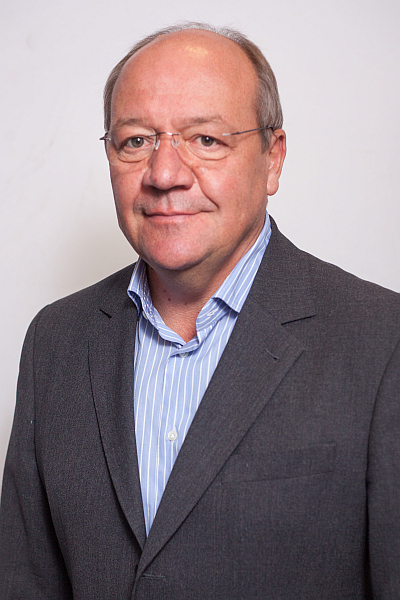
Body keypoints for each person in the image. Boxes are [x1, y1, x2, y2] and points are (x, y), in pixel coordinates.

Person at [0, 22, 399, 600]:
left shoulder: (382, 342)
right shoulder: (55, 342)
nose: (164, 175)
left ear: (273, 159)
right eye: (136, 141)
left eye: (206, 139)